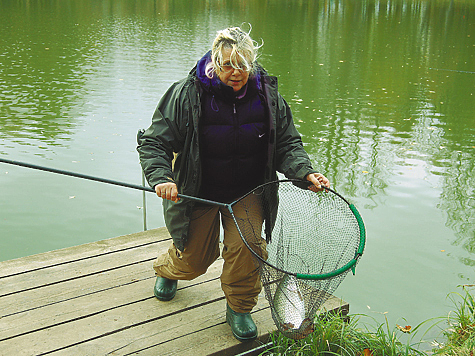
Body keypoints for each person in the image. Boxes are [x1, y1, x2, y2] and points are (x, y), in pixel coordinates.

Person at [137, 26, 330, 342]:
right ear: (215, 61)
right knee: (195, 260)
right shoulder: (186, 94)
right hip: (197, 190)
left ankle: (239, 308)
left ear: (251, 62)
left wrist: (304, 172)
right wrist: (162, 177)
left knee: (251, 249)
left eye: (243, 65)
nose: (236, 72)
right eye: (228, 65)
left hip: (248, 190)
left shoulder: (268, 97)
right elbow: (153, 142)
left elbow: (287, 144)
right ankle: (169, 269)